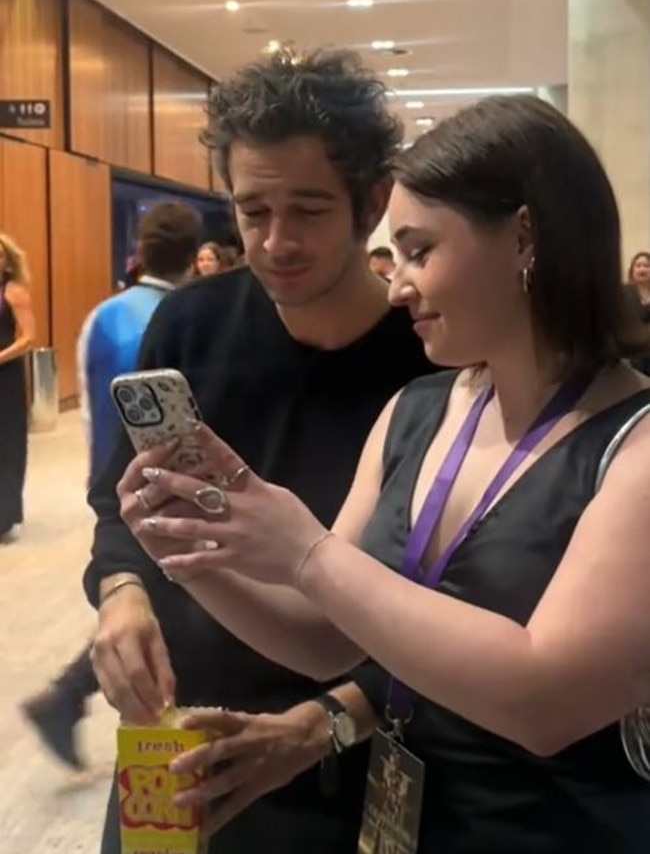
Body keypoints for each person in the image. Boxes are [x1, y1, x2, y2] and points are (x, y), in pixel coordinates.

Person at [119, 95, 650, 853]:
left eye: (419, 251)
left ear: (525, 237)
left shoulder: (633, 444)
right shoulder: (419, 408)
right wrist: (188, 551)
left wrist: (307, 552)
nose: (397, 286)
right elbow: (326, 639)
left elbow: (546, 699)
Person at [85, 46, 436, 854]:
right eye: (252, 212)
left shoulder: (432, 360)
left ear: (372, 200)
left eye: (309, 211)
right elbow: (120, 499)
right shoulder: (190, 326)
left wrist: (331, 719)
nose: (277, 241)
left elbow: (463, 600)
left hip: (344, 757)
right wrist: (123, 590)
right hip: (181, 741)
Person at [21, 202, 201, 769]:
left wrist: (100, 482)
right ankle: (76, 698)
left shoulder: (102, 315)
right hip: (171, 484)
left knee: (146, 599)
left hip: (109, 481)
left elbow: (93, 412)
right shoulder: (191, 319)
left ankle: (69, 697)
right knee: (169, 602)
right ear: (195, 254)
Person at [0, 233, 36, 543]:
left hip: (6, 376)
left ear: (8, 263)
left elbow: (28, 337)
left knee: (7, 442)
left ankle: (5, 513)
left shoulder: (14, 293)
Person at [625, 251, 650, 374]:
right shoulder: (624, 293)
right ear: (632, 270)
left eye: (646, 265)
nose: (642, 269)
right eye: (638, 265)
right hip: (633, 351)